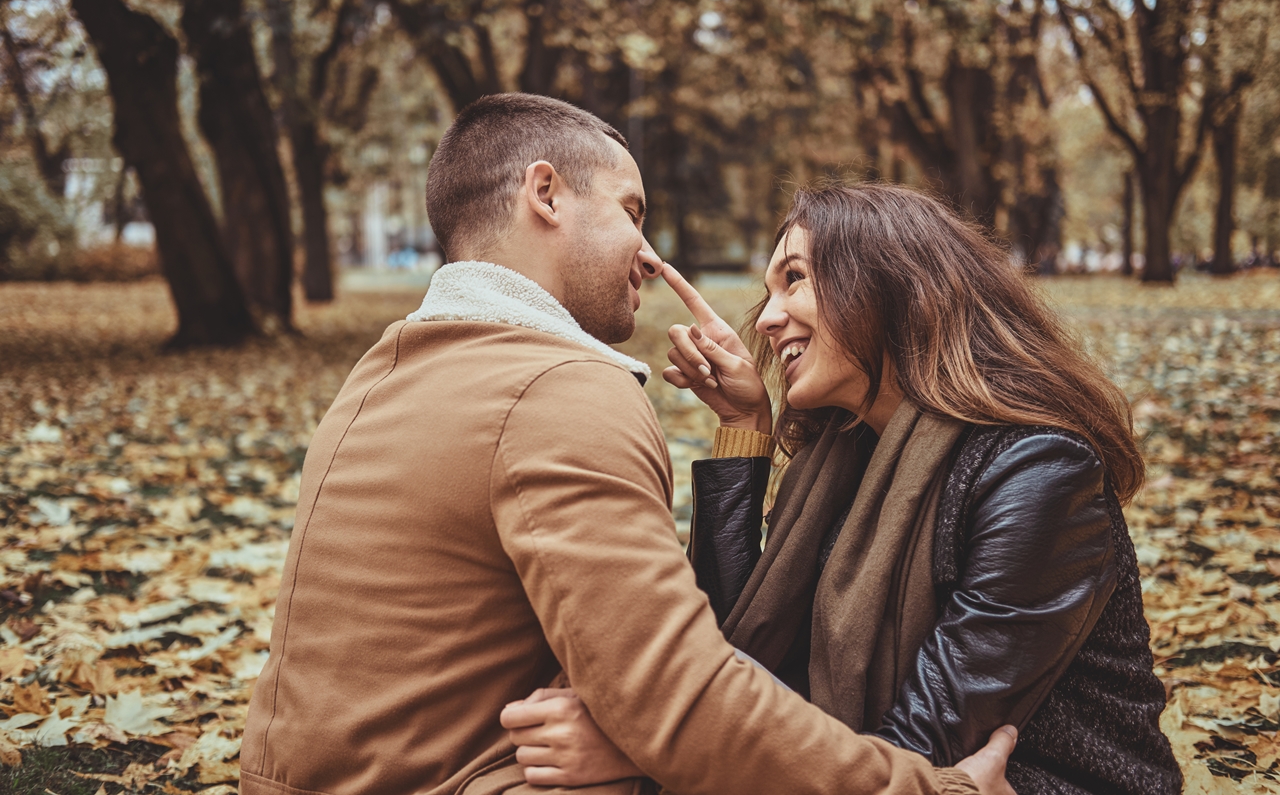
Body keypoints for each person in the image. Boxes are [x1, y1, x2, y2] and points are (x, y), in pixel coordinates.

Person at [239, 96, 1017, 795]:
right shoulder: (558, 387)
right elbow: (683, 697)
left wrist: (744, 430)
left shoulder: (381, 373)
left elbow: (692, 667)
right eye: (631, 211)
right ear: (546, 194)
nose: (649, 252)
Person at [504, 183, 1182, 795]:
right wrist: (744, 426)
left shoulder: (1036, 471)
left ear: (891, 285)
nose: (767, 319)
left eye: (793, 279)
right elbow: (742, 649)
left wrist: (650, 749)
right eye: (770, 292)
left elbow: (922, 749)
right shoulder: (845, 457)